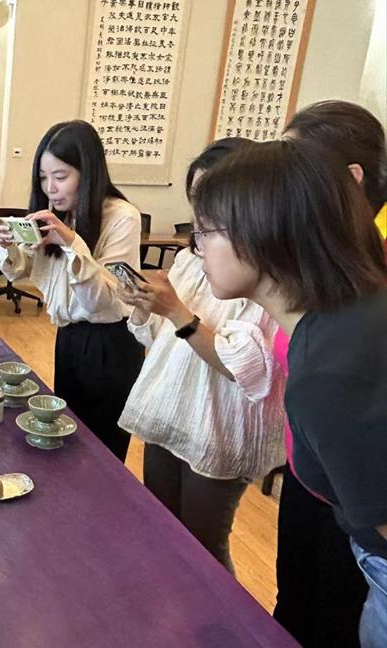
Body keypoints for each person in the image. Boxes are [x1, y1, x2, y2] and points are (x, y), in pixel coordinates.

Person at [191, 140, 387, 648]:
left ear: (263, 232)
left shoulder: (330, 369)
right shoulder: (339, 320)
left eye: (206, 230)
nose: (197, 247)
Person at [116, 138, 286, 572]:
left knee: (204, 549)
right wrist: (146, 305)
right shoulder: (191, 260)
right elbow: (162, 340)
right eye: (196, 201)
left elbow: (246, 368)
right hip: (171, 410)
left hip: (220, 427)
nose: (199, 221)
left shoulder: (265, 272)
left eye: (211, 205)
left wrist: (177, 311)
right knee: (162, 530)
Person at [273, 100, 386, 647]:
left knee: (335, 621)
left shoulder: (367, 278)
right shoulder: (315, 262)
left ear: (351, 179)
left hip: (359, 496)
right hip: (311, 476)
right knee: (294, 606)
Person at [0, 120, 143, 461]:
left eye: (60, 176)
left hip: (110, 343)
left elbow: (101, 300)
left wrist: (71, 242)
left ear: (88, 173)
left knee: (103, 450)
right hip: (70, 337)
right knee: (67, 436)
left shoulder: (122, 217)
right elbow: (20, 268)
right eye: (43, 178)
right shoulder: (63, 213)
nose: (50, 188)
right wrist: (9, 245)